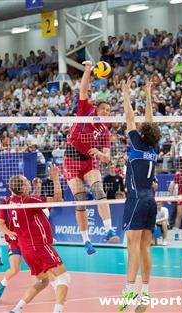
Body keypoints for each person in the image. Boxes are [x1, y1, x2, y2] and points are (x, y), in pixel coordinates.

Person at [62, 60, 119, 256]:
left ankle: (109, 229)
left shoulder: (104, 131)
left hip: (89, 162)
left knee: (98, 190)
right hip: (70, 160)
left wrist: (101, 154)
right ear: (97, 109)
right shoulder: (86, 110)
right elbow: (84, 90)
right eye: (104, 110)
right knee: (81, 200)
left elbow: (107, 159)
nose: (106, 113)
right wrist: (87, 70)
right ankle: (86, 241)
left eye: (109, 112)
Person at [0, 165, 70, 313]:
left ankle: (17, 309)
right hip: (39, 246)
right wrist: (55, 177)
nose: (29, 182)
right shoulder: (29, 201)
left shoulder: (11, 203)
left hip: (26, 250)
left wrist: (37, 187)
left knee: (43, 281)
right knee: (64, 278)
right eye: (26, 182)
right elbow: (57, 199)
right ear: (23, 188)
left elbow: (32, 204)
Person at [119, 77, 162, 312]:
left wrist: (126, 93)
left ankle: (129, 289)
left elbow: (130, 118)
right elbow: (149, 121)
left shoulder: (136, 144)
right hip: (151, 201)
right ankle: (145, 292)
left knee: (132, 246)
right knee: (145, 246)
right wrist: (146, 93)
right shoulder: (154, 147)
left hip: (136, 199)